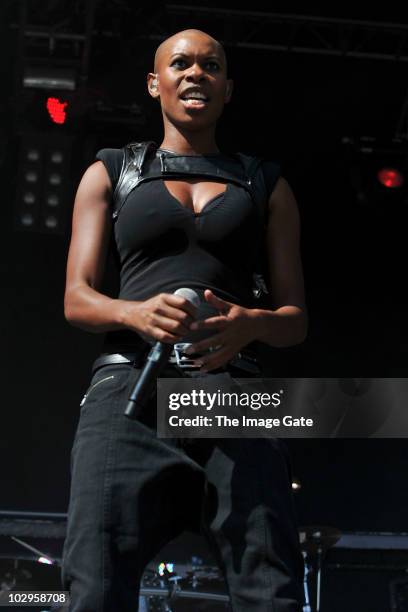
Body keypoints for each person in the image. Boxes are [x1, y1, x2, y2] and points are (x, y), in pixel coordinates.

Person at [61, 28, 308, 612]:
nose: (196, 73)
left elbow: (295, 320)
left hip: (234, 391)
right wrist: (135, 312)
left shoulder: (265, 183)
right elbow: (76, 298)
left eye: (211, 66)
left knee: (268, 586)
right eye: (180, 64)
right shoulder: (111, 171)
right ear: (155, 83)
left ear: (228, 88)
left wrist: (250, 320)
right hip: (129, 388)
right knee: (94, 586)